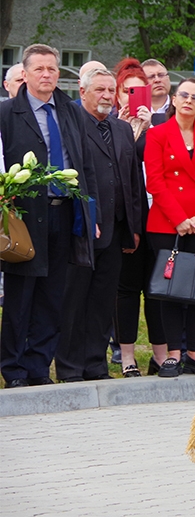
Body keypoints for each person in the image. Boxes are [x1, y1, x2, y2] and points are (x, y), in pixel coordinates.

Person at [0, 44, 100, 388]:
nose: (47, 75)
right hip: (25, 219)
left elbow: (84, 164)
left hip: (64, 214)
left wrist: (90, 212)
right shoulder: (7, 114)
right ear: (24, 74)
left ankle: (39, 366)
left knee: (52, 296)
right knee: (20, 296)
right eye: (40, 69)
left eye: (53, 69)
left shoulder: (70, 112)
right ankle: (12, 370)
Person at [55, 68, 142, 381]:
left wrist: (133, 227)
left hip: (117, 230)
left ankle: (95, 364)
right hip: (83, 229)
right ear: (83, 92)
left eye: (110, 90)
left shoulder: (121, 128)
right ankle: (69, 367)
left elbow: (131, 182)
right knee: (74, 300)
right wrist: (87, 218)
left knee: (104, 301)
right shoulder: (70, 125)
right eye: (100, 90)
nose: (106, 96)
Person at [144, 79, 195, 378]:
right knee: (172, 290)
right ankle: (172, 356)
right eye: (184, 95)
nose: (189, 101)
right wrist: (179, 219)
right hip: (167, 223)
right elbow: (155, 181)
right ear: (174, 100)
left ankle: (194, 353)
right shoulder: (157, 134)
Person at [113, 58, 169, 375]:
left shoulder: (159, 127)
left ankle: (160, 355)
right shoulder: (112, 127)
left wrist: (152, 129)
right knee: (127, 287)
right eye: (128, 91)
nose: (133, 98)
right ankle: (127, 355)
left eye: (139, 92)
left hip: (157, 214)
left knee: (157, 288)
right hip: (128, 217)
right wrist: (127, 131)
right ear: (119, 95)